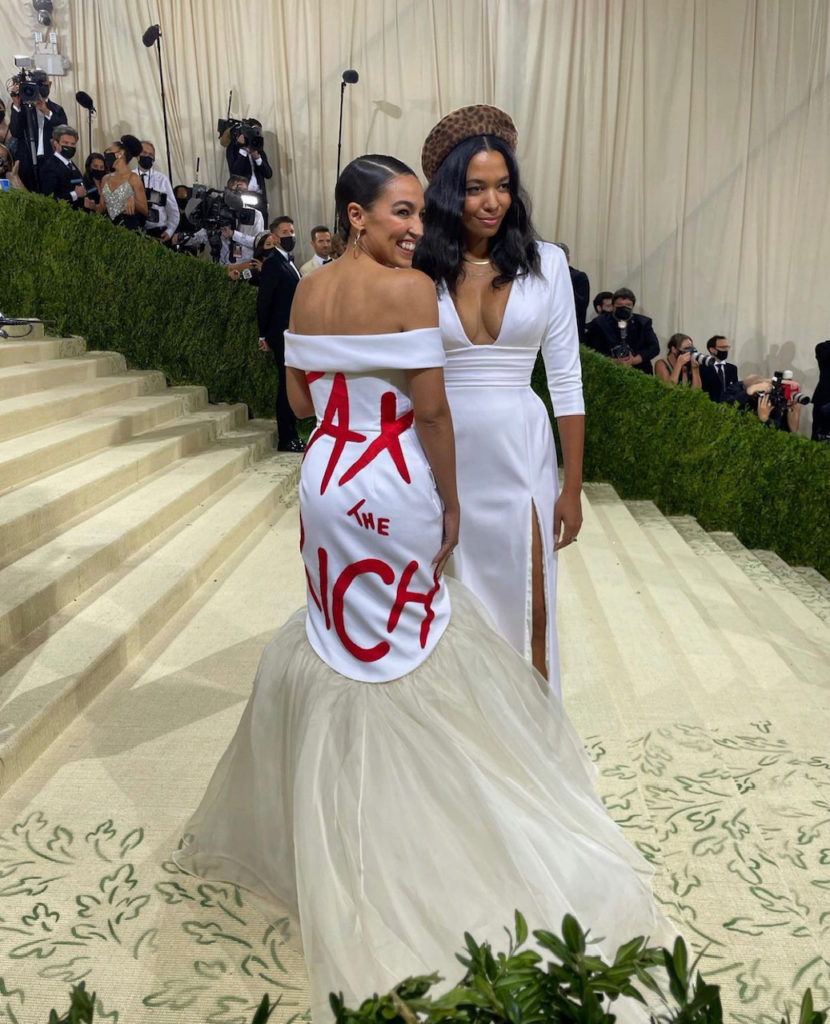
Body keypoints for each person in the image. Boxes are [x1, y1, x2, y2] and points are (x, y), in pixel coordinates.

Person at [174, 152, 674, 1023]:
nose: (416, 226)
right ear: (357, 214)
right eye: (402, 212)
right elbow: (432, 412)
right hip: (395, 477)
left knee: (343, 647)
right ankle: (430, 825)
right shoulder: (410, 290)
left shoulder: (305, 290)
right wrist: (446, 503)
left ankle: (357, 824)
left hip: (327, 480)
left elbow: (299, 400)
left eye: (418, 211)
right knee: (418, 648)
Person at [414, 105, 583, 689]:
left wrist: (572, 487)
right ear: (448, 193)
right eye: (476, 188)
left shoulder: (548, 263)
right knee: (452, 611)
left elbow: (566, 381)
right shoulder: (420, 268)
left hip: (521, 451)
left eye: (504, 186)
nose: (493, 202)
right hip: (441, 452)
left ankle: (533, 729)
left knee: (532, 602)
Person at [257, 214, 305, 451]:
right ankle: (286, 438)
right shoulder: (273, 264)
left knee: (290, 383)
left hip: (292, 333)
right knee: (286, 385)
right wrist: (263, 334)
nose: (290, 236)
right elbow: (264, 300)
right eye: (285, 233)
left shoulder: (288, 261)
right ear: (274, 237)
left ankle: (292, 434)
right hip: (280, 333)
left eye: (292, 232)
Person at [8, 73, 67, 191]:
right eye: (36, 85)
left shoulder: (57, 109)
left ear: (50, 84)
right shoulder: (23, 108)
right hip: (27, 161)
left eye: (43, 85)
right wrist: (16, 105)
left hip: (50, 161)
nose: (40, 88)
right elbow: (15, 132)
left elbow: (63, 131)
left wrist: (46, 111)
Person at [585, 287, 660, 374]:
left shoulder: (643, 323)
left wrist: (635, 360)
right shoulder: (600, 323)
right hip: (608, 371)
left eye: (628, 305)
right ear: (613, 306)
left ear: (633, 306)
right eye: (620, 305)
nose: (624, 308)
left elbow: (654, 347)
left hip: (639, 371)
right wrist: (613, 361)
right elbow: (592, 350)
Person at [101, 135, 147, 230]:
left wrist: (134, 201)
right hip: (107, 229)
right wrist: (92, 205)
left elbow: (145, 210)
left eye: (109, 150)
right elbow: (102, 207)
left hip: (128, 230)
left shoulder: (134, 178)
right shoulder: (105, 179)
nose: (106, 154)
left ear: (120, 154)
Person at [137, 140, 179, 242]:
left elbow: (173, 208)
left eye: (150, 154)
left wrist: (170, 230)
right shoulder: (129, 177)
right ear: (137, 155)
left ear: (154, 159)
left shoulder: (162, 179)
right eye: (144, 153)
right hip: (136, 231)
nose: (147, 156)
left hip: (158, 232)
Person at [38, 125, 87, 209]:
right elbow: (49, 198)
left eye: (73, 144)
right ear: (56, 144)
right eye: (66, 143)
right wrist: (75, 194)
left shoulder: (71, 165)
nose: (70, 147)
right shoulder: (50, 166)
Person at [554, 241, 590, 337]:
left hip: (570, 329)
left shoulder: (579, 277)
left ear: (568, 258)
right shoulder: (544, 277)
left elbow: (581, 304)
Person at [698, 335, 739, 402]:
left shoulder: (732, 368)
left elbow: (735, 388)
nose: (726, 350)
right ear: (712, 350)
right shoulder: (702, 368)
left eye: (727, 347)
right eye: (723, 347)